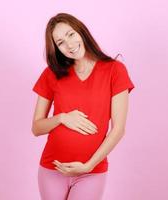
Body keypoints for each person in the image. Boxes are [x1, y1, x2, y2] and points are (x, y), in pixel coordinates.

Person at [31, 12, 135, 200]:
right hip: (52, 168)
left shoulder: (115, 70)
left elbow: (118, 129)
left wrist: (89, 165)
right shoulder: (52, 74)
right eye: (60, 42)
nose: (69, 45)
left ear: (81, 31)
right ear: (56, 48)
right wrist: (62, 117)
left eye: (70, 34)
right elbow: (36, 128)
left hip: (91, 172)